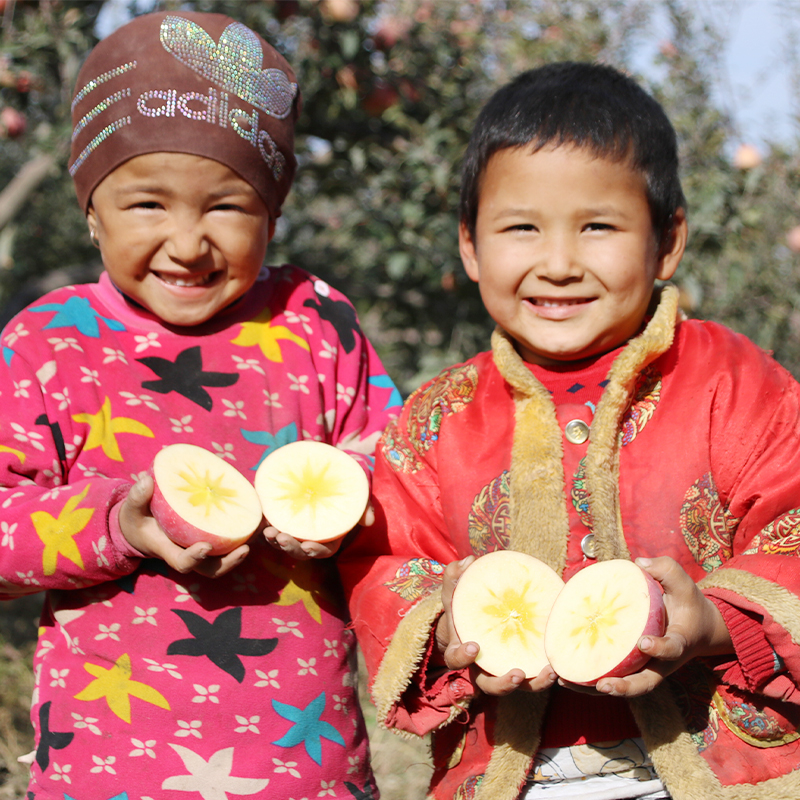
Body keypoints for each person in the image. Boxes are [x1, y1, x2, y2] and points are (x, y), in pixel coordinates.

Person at [340, 61, 800, 800]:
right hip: (517, 778)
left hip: (719, 773)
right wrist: (447, 629)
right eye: (521, 228)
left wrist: (713, 622)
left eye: (598, 227)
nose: (557, 264)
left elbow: (794, 528)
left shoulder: (738, 384)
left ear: (667, 239)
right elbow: (390, 558)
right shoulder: (435, 419)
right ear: (470, 244)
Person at [0, 10, 400, 799]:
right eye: (147, 206)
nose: (187, 243)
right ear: (91, 213)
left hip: (303, 770)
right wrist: (118, 525)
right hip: (107, 774)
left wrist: (354, 503)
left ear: (273, 214)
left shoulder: (315, 322)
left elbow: (401, 474)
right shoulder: (50, 344)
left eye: (226, 206)